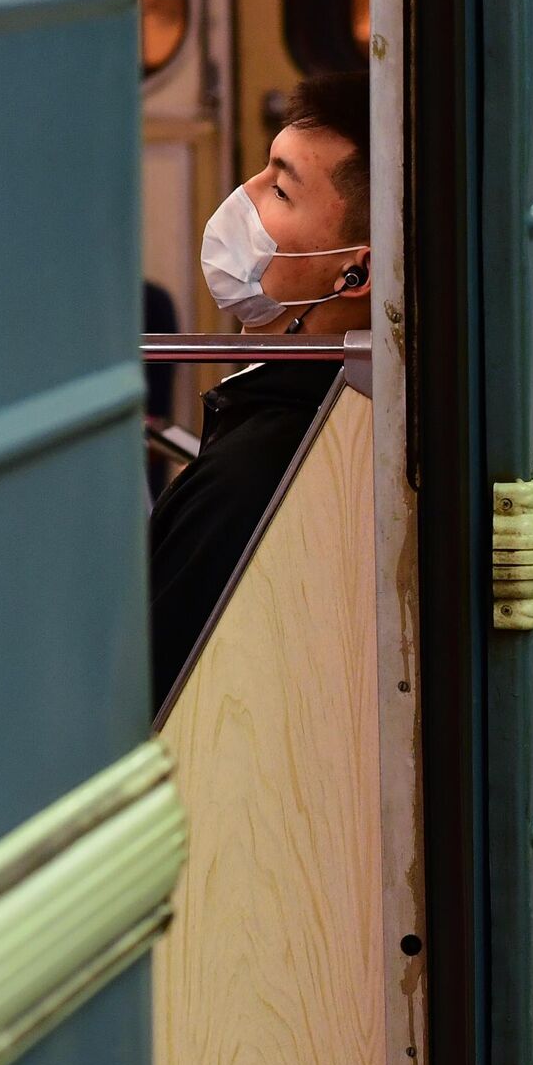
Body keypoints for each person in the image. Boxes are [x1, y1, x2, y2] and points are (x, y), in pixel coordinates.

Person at [149, 71, 371, 711]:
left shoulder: (254, 472)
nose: (241, 197)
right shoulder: (308, 410)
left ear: (352, 273)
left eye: (278, 189)